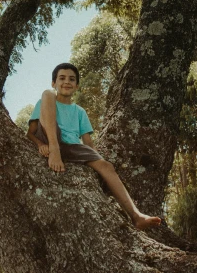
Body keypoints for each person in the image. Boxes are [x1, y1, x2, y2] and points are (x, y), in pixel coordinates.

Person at [26, 62, 162, 230]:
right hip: (49, 137)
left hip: (71, 147)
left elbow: (88, 143)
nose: (66, 82)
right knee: (47, 94)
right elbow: (30, 133)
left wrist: (99, 163)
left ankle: (136, 215)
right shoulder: (45, 101)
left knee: (107, 166)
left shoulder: (80, 112)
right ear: (54, 82)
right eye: (61, 78)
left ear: (76, 86)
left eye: (71, 79)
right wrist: (42, 145)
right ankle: (55, 150)